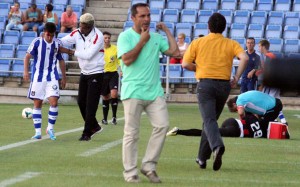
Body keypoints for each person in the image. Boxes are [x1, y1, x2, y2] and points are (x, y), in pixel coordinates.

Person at [117, 3, 179, 183]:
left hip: (154, 92)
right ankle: (130, 172)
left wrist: (167, 30)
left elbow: (175, 52)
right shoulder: (125, 36)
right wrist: (142, 41)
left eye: (148, 15)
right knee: (131, 134)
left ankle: (148, 165)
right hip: (133, 91)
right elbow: (127, 60)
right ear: (133, 18)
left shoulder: (156, 37)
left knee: (163, 125)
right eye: (142, 16)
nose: (147, 19)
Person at [182, 12, 249, 171]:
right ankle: (201, 158)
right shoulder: (230, 43)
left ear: (208, 26)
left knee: (209, 120)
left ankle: (217, 146)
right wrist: (237, 77)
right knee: (209, 121)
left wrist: (197, 67)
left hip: (206, 85)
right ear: (224, 28)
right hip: (224, 86)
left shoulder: (198, 42)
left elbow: (185, 64)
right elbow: (244, 58)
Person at [59, 13, 105, 141]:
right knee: (81, 102)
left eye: (84, 27)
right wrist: (53, 41)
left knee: (91, 105)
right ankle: (94, 126)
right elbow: (64, 40)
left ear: (91, 26)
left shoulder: (98, 36)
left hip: (96, 72)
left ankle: (87, 133)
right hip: (84, 72)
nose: (81, 29)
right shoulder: (77, 33)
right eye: (80, 26)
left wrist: (69, 51)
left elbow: (88, 55)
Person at [23, 22, 66, 140]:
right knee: (37, 104)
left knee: (54, 102)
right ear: (44, 33)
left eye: (52, 35)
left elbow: (61, 60)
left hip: (52, 76)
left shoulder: (57, 44)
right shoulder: (37, 42)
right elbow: (27, 56)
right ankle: (37, 132)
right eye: (48, 35)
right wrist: (26, 71)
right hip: (38, 77)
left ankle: (50, 128)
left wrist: (64, 77)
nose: (50, 38)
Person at [166, 113, 289, 139]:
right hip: (236, 131)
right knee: (209, 133)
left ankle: (179, 131)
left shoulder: (259, 120)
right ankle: (179, 131)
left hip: (232, 121)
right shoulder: (265, 134)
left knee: (211, 131)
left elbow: (246, 117)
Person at [257, 40, 288, 125]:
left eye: (259, 46)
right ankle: (283, 120)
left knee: (268, 102)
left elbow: (268, 71)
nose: (258, 48)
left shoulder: (268, 56)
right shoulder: (271, 56)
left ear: (263, 46)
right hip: (276, 82)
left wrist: (262, 85)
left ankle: (271, 119)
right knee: (276, 102)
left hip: (271, 82)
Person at [101, 31, 120, 125]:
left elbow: (119, 59)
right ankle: (104, 118)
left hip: (113, 74)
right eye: (105, 38)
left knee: (114, 94)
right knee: (105, 96)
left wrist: (122, 70)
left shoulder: (115, 49)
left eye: (108, 38)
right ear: (102, 39)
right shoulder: (99, 50)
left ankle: (114, 117)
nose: (107, 39)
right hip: (103, 75)